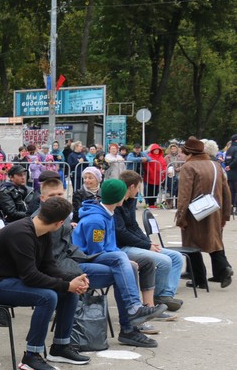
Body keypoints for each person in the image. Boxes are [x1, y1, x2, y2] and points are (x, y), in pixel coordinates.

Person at [38, 177, 163, 348]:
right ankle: (131, 319)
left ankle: (130, 326)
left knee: (128, 267)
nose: (58, 197)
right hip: (74, 265)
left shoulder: (99, 215)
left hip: (79, 260)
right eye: (53, 194)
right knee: (122, 263)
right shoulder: (95, 220)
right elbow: (93, 250)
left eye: (60, 193)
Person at [0, 196, 92, 370]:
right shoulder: (21, 233)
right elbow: (31, 277)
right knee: (48, 296)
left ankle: (60, 347)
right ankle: (31, 355)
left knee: (69, 292)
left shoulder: (42, 231)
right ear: (60, 223)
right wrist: (66, 285)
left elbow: (48, 266)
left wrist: (73, 279)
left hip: (11, 280)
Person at [72, 179, 164, 324]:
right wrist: (123, 259)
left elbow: (111, 246)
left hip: (97, 257)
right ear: (118, 197)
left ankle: (133, 322)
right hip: (84, 260)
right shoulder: (96, 221)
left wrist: (124, 260)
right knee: (122, 260)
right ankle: (134, 309)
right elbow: (95, 251)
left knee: (129, 263)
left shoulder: (108, 214)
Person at [115, 170, 184, 311]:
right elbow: (121, 233)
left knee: (177, 257)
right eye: (139, 187)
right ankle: (156, 298)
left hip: (135, 244)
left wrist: (148, 243)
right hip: (122, 247)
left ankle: (165, 295)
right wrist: (146, 245)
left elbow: (133, 225)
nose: (139, 191)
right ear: (132, 187)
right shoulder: (117, 203)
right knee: (165, 261)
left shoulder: (130, 201)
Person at [176, 137, 232, 288]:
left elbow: (184, 195)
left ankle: (199, 280)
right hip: (215, 210)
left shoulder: (189, 167)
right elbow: (226, 192)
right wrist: (226, 213)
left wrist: (180, 217)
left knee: (192, 245)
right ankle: (223, 268)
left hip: (193, 212)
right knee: (213, 240)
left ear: (188, 152)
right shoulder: (215, 165)